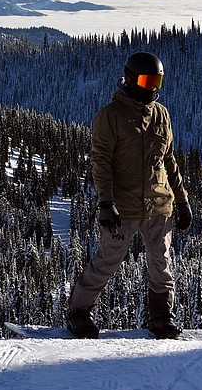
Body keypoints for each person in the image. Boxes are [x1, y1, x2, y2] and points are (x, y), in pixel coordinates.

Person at [66, 51, 193, 340]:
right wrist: (106, 203)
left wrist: (182, 201)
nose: (153, 87)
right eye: (148, 80)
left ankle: (162, 316)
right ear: (132, 79)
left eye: (157, 81)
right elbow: (101, 161)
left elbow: (169, 160)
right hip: (123, 206)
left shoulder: (161, 114)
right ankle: (79, 312)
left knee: (161, 262)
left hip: (159, 203)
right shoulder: (110, 116)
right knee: (109, 260)